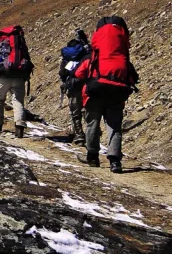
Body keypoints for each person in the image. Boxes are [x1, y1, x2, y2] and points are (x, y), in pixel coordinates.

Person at [73, 16, 139, 174]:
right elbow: (133, 78)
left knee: (92, 125)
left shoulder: (94, 56)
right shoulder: (123, 57)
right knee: (114, 127)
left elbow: (79, 73)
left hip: (95, 93)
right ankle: (115, 161)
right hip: (116, 95)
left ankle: (93, 156)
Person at [0, 25, 35, 137]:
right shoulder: (21, 43)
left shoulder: (4, 43)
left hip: (4, 77)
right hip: (19, 76)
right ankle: (19, 126)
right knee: (18, 101)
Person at [58, 29, 91, 145]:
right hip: (86, 85)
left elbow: (62, 73)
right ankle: (92, 133)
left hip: (72, 86)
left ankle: (79, 136)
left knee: (75, 113)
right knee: (88, 110)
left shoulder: (67, 59)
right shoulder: (86, 55)